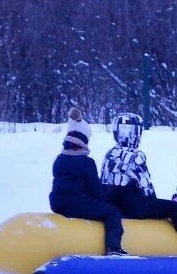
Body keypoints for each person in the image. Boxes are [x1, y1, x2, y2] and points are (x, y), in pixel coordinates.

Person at [99, 112, 177, 257]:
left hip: (115, 206)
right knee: (174, 208)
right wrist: (154, 204)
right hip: (132, 206)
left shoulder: (109, 154)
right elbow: (145, 186)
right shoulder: (136, 156)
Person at [49, 107, 126, 255]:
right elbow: (96, 190)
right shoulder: (86, 162)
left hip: (57, 203)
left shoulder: (59, 159)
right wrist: (110, 203)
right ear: (83, 141)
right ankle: (114, 248)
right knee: (112, 212)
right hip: (77, 203)